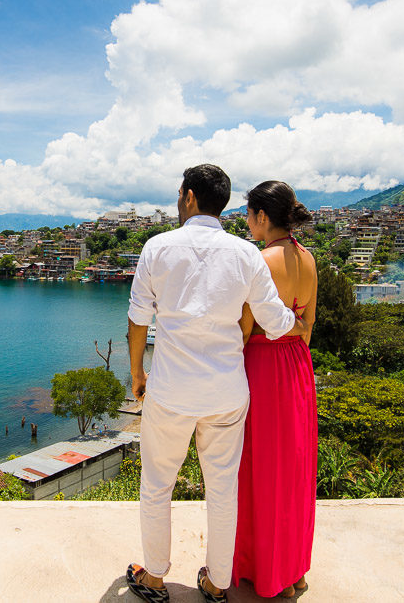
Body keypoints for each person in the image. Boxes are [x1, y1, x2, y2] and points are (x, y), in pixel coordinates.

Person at [125, 164, 304, 603]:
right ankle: (218, 583)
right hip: (227, 392)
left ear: (188, 196)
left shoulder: (157, 247)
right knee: (223, 490)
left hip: (171, 390)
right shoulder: (245, 254)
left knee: (157, 484)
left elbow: (137, 320)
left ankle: (154, 578)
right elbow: (274, 320)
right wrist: (298, 323)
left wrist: (137, 374)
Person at [233, 181, 318, 599]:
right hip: (297, 367)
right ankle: (294, 568)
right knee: (293, 468)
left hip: (263, 366)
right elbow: (308, 327)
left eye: (248, 214)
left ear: (262, 217)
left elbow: (246, 328)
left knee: (259, 469)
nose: (246, 222)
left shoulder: (260, 260)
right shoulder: (309, 258)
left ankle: (260, 570)